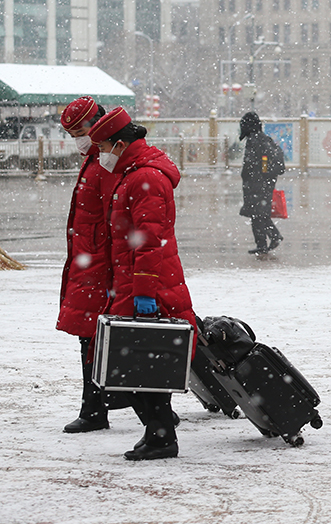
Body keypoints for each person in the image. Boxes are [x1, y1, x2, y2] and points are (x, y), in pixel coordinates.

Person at [89, 107, 198, 459]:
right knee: (139, 362)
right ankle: (157, 432)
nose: (101, 155)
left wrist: (145, 292)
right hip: (137, 281)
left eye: (104, 146)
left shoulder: (144, 178)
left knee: (146, 363)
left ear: (120, 143)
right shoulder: (134, 173)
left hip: (149, 285)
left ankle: (162, 437)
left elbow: (149, 241)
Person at [56, 97, 132, 433]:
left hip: (100, 265)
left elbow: (116, 217)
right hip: (89, 263)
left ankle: (98, 408)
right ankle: (96, 406)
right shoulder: (95, 158)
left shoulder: (106, 160)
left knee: (100, 339)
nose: (78, 138)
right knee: (92, 338)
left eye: (79, 131)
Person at [239, 111, 285, 254]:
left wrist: (256, 176)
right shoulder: (263, 138)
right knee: (258, 215)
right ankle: (264, 243)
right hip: (261, 184)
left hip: (257, 185)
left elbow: (252, 164)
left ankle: (270, 239)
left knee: (258, 215)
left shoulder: (255, 140)